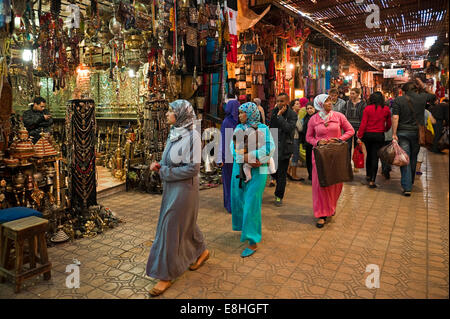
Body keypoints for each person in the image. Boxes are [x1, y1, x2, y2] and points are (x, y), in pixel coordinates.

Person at [146, 100, 209, 296]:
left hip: (184, 190)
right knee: (186, 224)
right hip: (172, 187)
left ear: (181, 114)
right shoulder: (175, 133)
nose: (166, 114)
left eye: (170, 111)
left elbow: (193, 169)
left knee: (170, 227)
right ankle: (202, 251)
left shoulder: (193, 136)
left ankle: (165, 275)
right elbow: (171, 160)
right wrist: (160, 165)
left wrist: (164, 171)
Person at [230, 102, 275, 257]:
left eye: (243, 113)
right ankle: (246, 229)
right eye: (239, 113)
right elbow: (233, 149)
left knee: (251, 203)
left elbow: (269, 147)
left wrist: (256, 158)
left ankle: (253, 241)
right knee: (240, 201)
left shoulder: (263, 129)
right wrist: (246, 158)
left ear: (250, 114)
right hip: (240, 169)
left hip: (259, 169)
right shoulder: (238, 129)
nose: (240, 115)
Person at [306, 94, 354, 228]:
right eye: (326, 101)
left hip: (335, 155)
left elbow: (350, 131)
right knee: (320, 184)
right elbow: (308, 137)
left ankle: (330, 207)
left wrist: (340, 139)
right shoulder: (313, 119)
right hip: (320, 156)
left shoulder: (339, 116)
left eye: (330, 101)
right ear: (320, 104)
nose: (330, 103)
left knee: (335, 183)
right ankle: (321, 214)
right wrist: (317, 141)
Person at [392, 79, 436, 196]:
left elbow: (395, 117)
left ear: (404, 91)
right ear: (415, 89)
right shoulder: (422, 97)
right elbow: (434, 96)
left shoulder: (398, 100)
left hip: (402, 132)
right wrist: (424, 86)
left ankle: (407, 187)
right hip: (417, 133)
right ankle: (409, 182)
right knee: (413, 158)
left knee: (404, 158)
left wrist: (394, 133)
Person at [356, 92, 392, 188]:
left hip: (367, 135)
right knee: (375, 157)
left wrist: (360, 135)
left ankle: (368, 175)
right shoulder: (386, 109)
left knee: (368, 155)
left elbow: (363, 123)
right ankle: (372, 181)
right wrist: (385, 130)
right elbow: (389, 123)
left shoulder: (367, 109)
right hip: (379, 135)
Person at [269, 92, 298, 206]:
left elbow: (288, 128)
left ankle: (278, 195)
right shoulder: (274, 111)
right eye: (278, 101)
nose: (279, 103)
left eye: (282, 101)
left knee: (282, 173)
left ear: (287, 101)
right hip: (274, 146)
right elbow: (272, 127)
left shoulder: (292, 114)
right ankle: (276, 182)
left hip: (285, 147)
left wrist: (280, 117)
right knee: (272, 170)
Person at [217, 99, 240, 213]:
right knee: (236, 181)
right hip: (238, 156)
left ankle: (229, 204)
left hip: (227, 156)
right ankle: (235, 204)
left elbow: (222, 141)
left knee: (228, 182)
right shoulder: (240, 121)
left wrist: (220, 157)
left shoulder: (226, 122)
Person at [340, 88, 366, 168]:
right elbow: (342, 114)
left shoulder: (363, 104)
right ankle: (347, 165)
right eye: (351, 93)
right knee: (347, 146)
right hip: (347, 128)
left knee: (357, 147)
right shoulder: (347, 103)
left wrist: (361, 130)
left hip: (358, 128)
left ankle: (356, 164)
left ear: (358, 94)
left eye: (353, 93)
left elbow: (363, 118)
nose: (351, 95)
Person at [287, 99, 304, 181]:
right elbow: (300, 128)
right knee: (295, 155)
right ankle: (294, 174)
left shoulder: (290, 114)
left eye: (299, 103)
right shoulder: (294, 115)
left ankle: (289, 172)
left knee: (292, 155)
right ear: (292, 106)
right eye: (297, 104)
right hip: (295, 137)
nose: (299, 105)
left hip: (291, 137)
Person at [302, 102, 316, 183]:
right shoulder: (306, 117)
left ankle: (314, 175)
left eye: (311, 108)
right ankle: (310, 174)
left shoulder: (317, 117)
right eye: (308, 108)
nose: (309, 110)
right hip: (308, 142)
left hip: (315, 141)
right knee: (308, 159)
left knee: (314, 160)